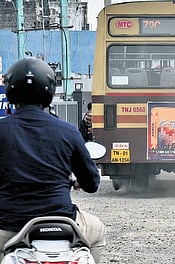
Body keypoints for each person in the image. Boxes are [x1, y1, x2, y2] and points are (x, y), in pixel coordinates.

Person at [0, 57, 106, 262]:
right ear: (49, 90)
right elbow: (92, 184)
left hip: (9, 226)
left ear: (11, 90)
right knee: (98, 232)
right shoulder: (68, 131)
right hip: (63, 222)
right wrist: (76, 182)